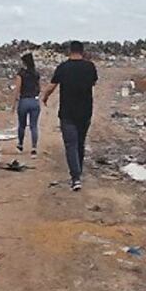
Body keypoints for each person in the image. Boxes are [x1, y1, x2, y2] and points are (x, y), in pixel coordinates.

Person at [41, 41, 98, 191]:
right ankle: (78, 173)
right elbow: (93, 83)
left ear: (69, 51)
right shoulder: (90, 67)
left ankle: (76, 177)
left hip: (67, 113)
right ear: (82, 51)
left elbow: (52, 86)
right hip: (86, 112)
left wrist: (44, 97)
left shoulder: (63, 68)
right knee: (80, 142)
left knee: (70, 145)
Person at [14, 53, 41, 156]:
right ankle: (34, 148)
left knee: (22, 125)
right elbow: (39, 88)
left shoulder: (21, 73)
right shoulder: (36, 73)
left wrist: (14, 103)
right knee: (34, 126)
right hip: (34, 101)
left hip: (24, 101)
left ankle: (20, 145)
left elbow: (17, 89)